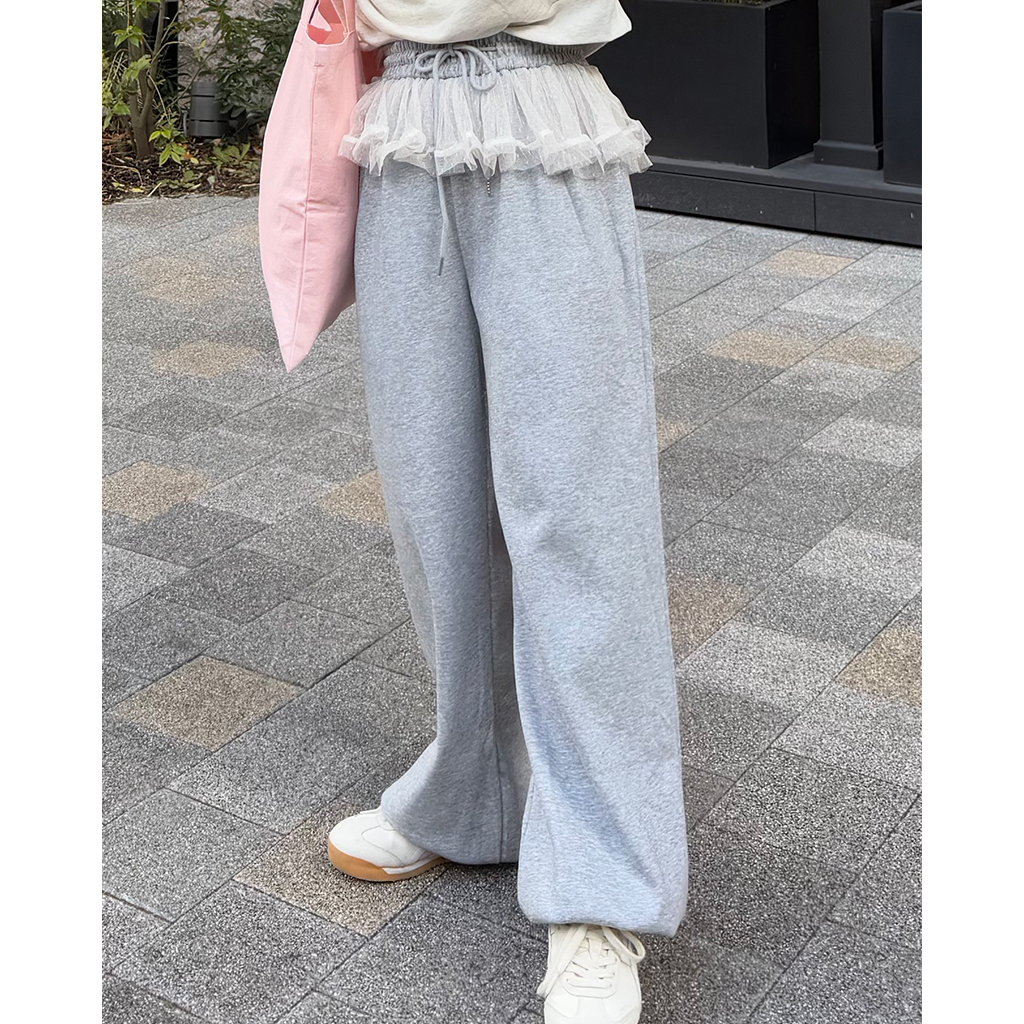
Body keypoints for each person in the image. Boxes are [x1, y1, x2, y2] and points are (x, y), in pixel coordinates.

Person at [326, 3, 689, 1021]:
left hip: (541, 106)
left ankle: (604, 892)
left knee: (580, 516)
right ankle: (472, 793)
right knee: (434, 499)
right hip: (404, 114)